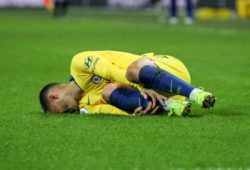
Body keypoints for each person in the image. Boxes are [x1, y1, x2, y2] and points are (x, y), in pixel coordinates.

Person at [39, 51, 216, 116]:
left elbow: (110, 71)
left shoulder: (79, 63)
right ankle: (171, 106)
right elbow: (112, 110)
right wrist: (132, 112)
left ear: (54, 97)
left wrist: (141, 87)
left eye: (61, 112)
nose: (68, 114)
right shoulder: (86, 105)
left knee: (131, 72)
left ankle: (197, 94)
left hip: (165, 70)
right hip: (165, 92)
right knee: (108, 91)